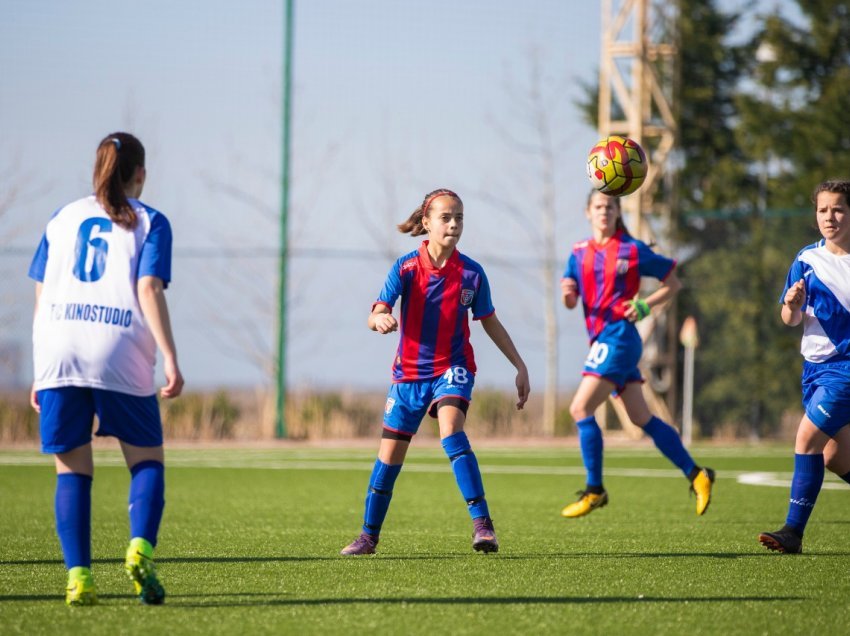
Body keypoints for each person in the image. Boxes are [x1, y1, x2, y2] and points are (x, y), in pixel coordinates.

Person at [29, 132, 183, 605]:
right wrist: (171, 358)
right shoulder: (150, 221)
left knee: (71, 470)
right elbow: (148, 288)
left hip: (56, 346)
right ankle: (139, 549)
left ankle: (79, 578)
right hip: (117, 347)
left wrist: (40, 366)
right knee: (146, 461)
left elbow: (42, 288)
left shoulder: (63, 217)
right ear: (140, 174)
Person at [340, 188, 530, 556]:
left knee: (450, 430)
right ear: (426, 223)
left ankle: (483, 525)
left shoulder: (472, 274)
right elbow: (376, 309)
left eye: (459, 217)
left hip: (453, 368)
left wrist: (519, 365)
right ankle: (368, 537)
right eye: (446, 217)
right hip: (408, 377)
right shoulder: (406, 268)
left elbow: (489, 321)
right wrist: (379, 318)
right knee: (388, 460)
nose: (454, 224)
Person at [559, 190, 715, 519]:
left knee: (580, 407)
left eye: (610, 207)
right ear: (587, 212)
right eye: (598, 206)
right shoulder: (577, 253)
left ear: (618, 212)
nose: (604, 211)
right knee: (640, 417)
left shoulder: (631, 250)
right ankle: (697, 474)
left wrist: (645, 304)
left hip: (619, 338)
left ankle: (594, 489)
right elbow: (570, 295)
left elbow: (673, 283)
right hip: (601, 340)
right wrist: (568, 294)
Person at [759, 179, 850, 554]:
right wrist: (793, 304)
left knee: (806, 439)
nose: (830, 217)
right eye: (823, 210)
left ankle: (792, 532)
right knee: (835, 457)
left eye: (839, 209)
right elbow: (789, 319)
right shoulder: (806, 259)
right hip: (814, 369)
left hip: (844, 370)